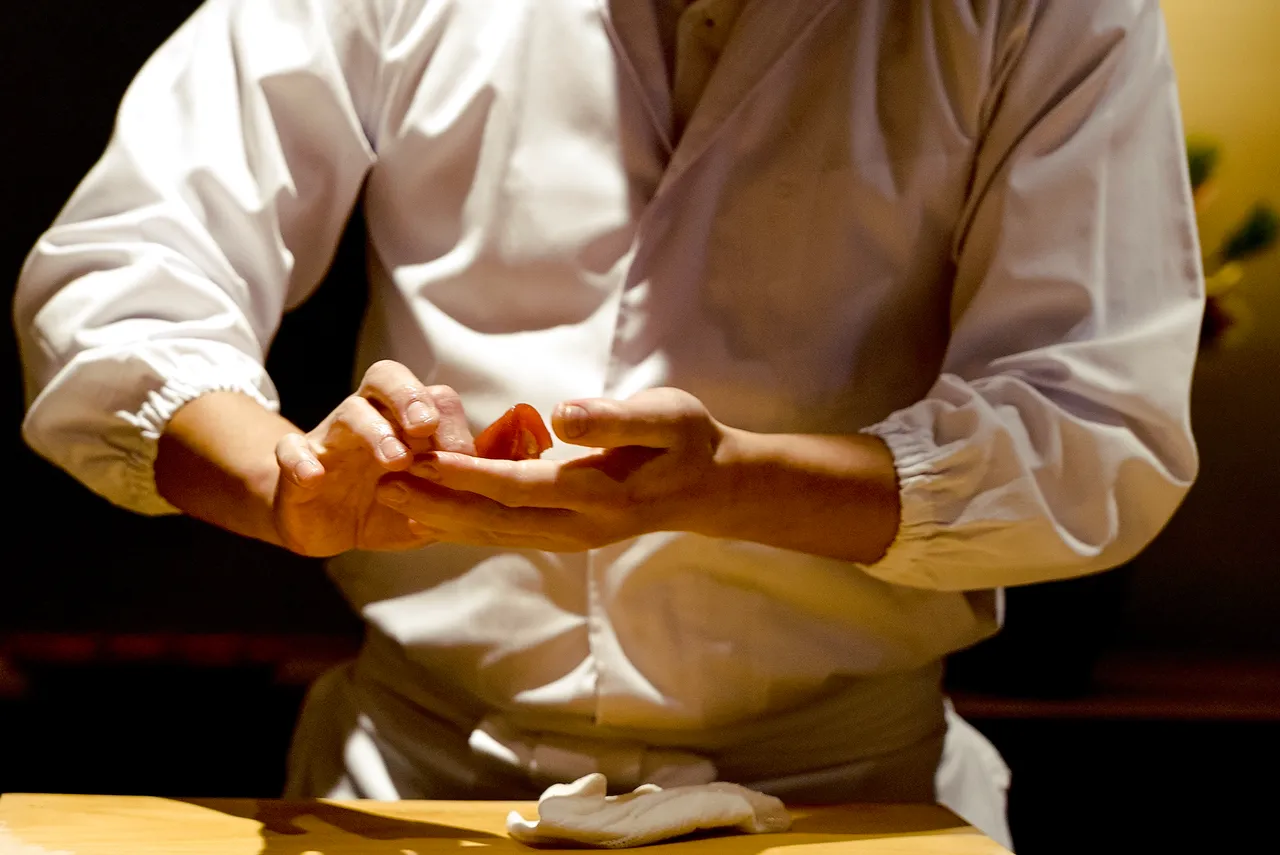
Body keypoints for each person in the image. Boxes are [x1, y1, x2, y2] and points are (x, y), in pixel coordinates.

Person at [15, 0, 1203, 848]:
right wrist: (283, 483)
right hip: (408, 788)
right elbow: (127, 274)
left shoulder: (1049, 12)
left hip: (853, 801)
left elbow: (1096, 429)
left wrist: (728, 484)